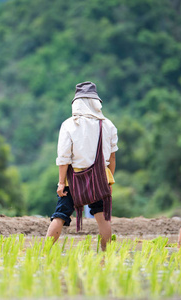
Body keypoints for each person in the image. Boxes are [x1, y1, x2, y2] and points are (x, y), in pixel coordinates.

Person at [46, 81, 118, 251]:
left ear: (76, 103)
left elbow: (64, 158)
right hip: (100, 178)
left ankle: (44, 253)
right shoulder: (108, 125)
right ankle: (105, 256)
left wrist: (61, 183)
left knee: (60, 215)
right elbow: (112, 157)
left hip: (73, 180)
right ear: (96, 102)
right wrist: (109, 182)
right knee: (103, 217)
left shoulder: (69, 124)